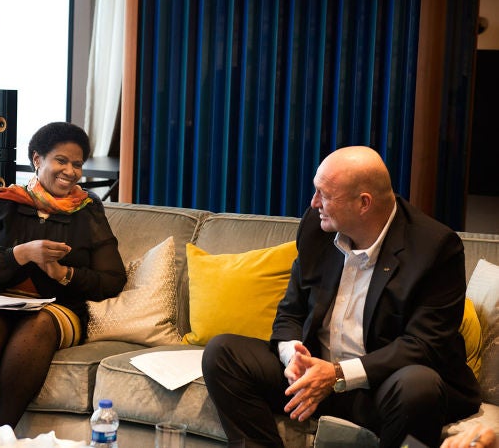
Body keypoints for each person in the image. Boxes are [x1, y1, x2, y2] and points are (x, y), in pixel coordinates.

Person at [202, 146, 481, 448]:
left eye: (324, 194)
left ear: (363, 203)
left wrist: (336, 374)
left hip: (381, 385)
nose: (313, 202)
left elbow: (424, 346)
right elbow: (290, 312)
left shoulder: (435, 248)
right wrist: (292, 355)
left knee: (419, 386)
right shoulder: (316, 227)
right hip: (316, 375)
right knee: (223, 353)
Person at [0, 122, 127, 428]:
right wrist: (22, 253)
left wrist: (65, 273)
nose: (71, 171)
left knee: (38, 326)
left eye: (77, 165)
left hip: (56, 306)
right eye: (61, 160)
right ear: (38, 159)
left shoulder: (89, 211)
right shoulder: (3, 201)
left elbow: (113, 279)